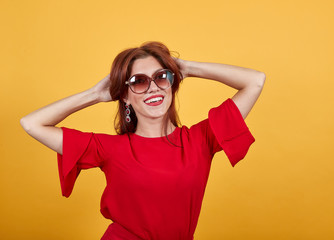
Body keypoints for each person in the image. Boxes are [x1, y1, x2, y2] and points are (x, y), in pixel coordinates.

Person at [20, 41, 265, 240]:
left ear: (171, 84)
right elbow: (32, 123)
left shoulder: (200, 139)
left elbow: (255, 81)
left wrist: (187, 68)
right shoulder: (108, 149)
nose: (152, 88)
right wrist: (94, 95)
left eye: (161, 77)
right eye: (138, 81)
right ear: (125, 95)